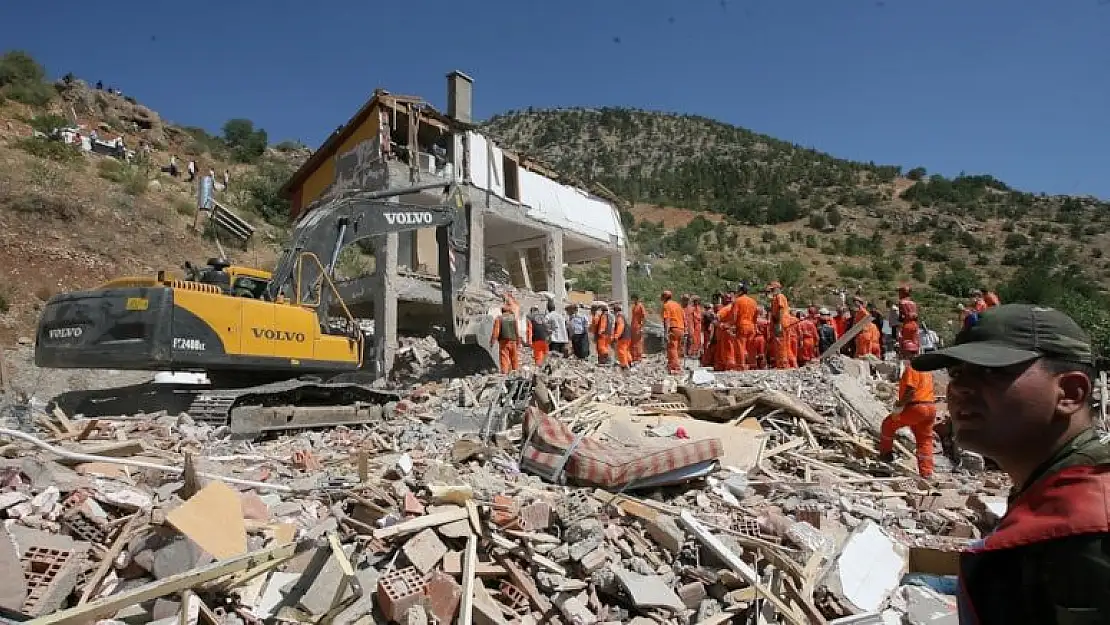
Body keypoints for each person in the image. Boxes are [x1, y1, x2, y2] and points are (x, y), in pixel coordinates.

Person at [912, 303, 1110, 623]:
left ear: (1070, 393)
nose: (959, 387)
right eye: (956, 372)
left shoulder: (1088, 532)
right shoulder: (1055, 486)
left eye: (991, 371)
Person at [877, 345, 937, 478]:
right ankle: (926, 473)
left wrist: (900, 404)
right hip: (930, 407)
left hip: (916, 407)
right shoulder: (926, 370)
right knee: (924, 440)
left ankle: (885, 455)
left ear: (906, 353)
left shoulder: (912, 368)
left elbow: (911, 390)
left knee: (888, 424)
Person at [489, 304, 522, 374]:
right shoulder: (513, 318)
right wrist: (518, 342)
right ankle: (516, 373)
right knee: (514, 358)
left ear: (502, 311)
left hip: (503, 342)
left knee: (504, 358)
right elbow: (517, 331)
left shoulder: (499, 318)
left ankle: (504, 374)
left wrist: (492, 341)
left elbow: (496, 331)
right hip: (513, 341)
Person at [661, 290, 685, 374]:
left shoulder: (666, 305)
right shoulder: (677, 305)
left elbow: (666, 319)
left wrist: (665, 333)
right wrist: (685, 329)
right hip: (681, 328)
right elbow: (683, 317)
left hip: (673, 328)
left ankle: (675, 368)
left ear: (664, 297)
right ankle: (672, 364)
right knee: (677, 348)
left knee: (672, 348)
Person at [612, 302, 632, 369]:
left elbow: (620, 327)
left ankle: (624, 365)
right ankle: (629, 361)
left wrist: (616, 336)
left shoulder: (619, 317)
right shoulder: (624, 316)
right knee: (626, 350)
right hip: (628, 336)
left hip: (623, 337)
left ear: (615, 311)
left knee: (621, 350)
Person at [630, 294, 647, 363]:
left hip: (638, 326)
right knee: (633, 342)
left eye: (634, 299)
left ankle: (638, 356)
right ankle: (634, 356)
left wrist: (642, 326)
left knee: (638, 342)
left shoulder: (640, 306)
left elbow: (644, 316)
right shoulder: (634, 306)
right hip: (633, 326)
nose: (633, 300)